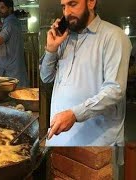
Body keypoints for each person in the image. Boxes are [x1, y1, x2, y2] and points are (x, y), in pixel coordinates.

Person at [40, 0, 131, 146]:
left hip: (95, 145)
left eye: (73, 4)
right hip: (59, 140)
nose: (67, 12)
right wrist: (51, 48)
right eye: (64, 6)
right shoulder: (65, 37)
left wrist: (75, 114)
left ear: (91, 2)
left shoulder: (114, 36)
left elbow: (115, 90)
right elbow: (46, 77)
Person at [0, 0, 29, 87]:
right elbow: (5, 36)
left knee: (15, 95)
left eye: (2, 8)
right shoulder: (12, 21)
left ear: (10, 9)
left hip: (11, 69)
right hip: (13, 66)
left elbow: (0, 40)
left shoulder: (10, 22)